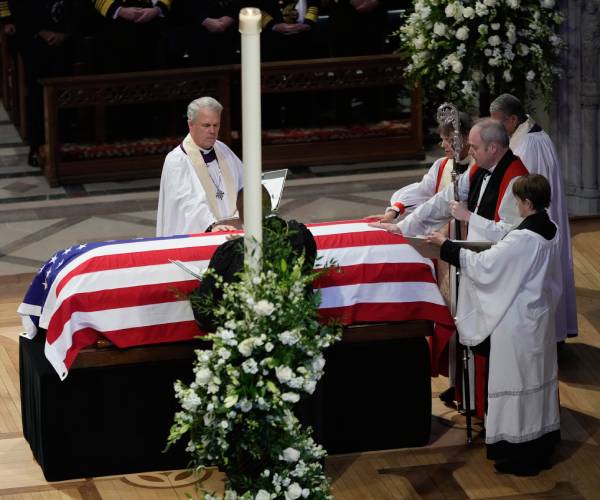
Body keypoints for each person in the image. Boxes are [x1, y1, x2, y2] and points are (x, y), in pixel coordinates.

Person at [370, 118, 529, 419]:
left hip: (502, 280)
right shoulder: (481, 167)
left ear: (494, 148)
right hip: (476, 265)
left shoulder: (515, 177)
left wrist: (468, 217)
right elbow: (445, 199)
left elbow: (513, 236)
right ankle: (473, 401)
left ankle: (495, 415)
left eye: (475, 147)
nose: (468, 151)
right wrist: (403, 228)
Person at [426, 174, 562, 476]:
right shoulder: (550, 228)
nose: (514, 204)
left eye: (517, 199)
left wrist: (445, 246)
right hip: (537, 318)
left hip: (516, 324)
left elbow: (487, 265)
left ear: (527, 202)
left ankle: (520, 452)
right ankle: (540, 444)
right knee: (535, 380)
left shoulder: (523, 239)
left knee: (516, 382)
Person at [490, 93, 577, 341]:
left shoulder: (529, 146)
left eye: (499, 122)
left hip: (538, 230)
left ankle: (550, 335)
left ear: (514, 119)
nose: (496, 128)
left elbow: (528, 194)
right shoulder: (530, 135)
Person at [191, 186, 317, 332]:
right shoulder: (302, 235)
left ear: (242, 215)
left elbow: (204, 312)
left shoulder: (232, 252)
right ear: (270, 204)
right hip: (299, 326)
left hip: (250, 334)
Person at [156, 96, 243, 237]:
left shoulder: (224, 151)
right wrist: (211, 225)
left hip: (233, 234)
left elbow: (244, 186)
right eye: (206, 125)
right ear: (191, 125)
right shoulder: (177, 161)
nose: (212, 131)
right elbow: (186, 206)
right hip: (202, 238)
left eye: (216, 125)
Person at [380, 111, 474, 223]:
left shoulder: (481, 165)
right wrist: (394, 211)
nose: (443, 145)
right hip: (442, 235)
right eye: (442, 139)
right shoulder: (441, 165)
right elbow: (422, 191)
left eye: (449, 139)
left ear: (467, 138)